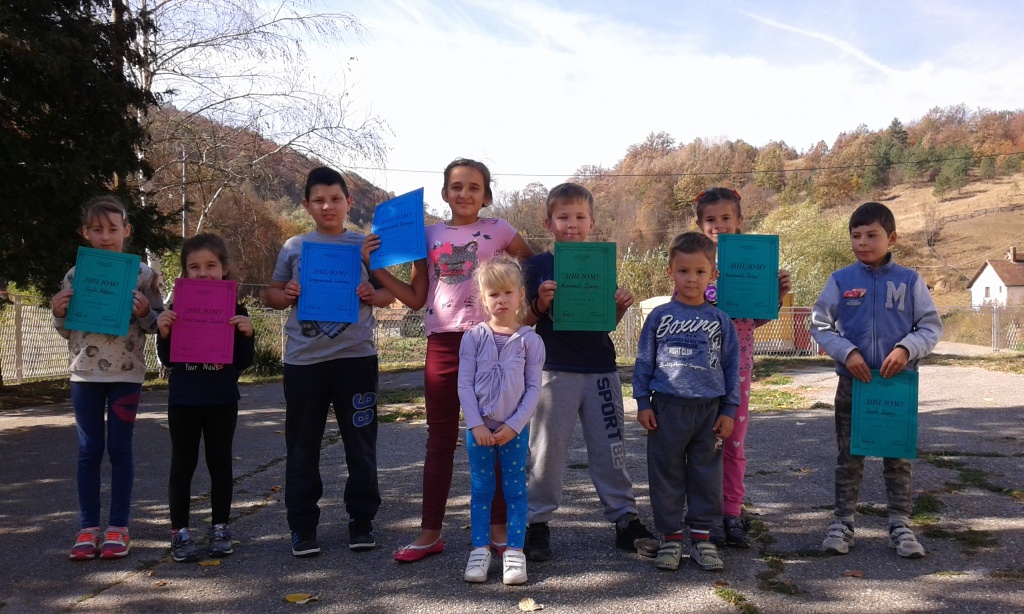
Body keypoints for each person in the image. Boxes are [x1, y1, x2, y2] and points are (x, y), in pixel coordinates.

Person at [362, 158, 533, 563]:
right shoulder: (427, 235)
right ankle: (429, 533)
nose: (464, 194)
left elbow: (532, 266)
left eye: (474, 187)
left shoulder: (500, 229)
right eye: (456, 186)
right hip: (443, 344)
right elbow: (416, 297)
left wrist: (523, 314)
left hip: (492, 344)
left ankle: (498, 531)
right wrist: (376, 268)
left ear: (486, 196)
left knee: (495, 435)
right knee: (440, 439)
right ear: (444, 193)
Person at [521, 183, 658, 561]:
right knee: (546, 450)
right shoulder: (537, 266)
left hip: (600, 369)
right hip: (553, 370)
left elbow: (605, 323)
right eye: (563, 217)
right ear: (548, 222)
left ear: (592, 222)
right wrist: (540, 303)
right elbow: (523, 321)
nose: (572, 224)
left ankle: (625, 519)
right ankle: (536, 522)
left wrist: (621, 306)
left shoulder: (599, 260)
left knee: (611, 448)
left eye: (580, 217)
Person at [265, 166, 395, 557]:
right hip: (304, 363)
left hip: (356, 360)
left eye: (335, 199)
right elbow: (272, 295)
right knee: (302, 447)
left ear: (348, 202)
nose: (328, 206)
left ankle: (362, 521)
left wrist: (372, 293)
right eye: (319, 200)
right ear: (306, 205)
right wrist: (286, 293)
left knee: (361, 445)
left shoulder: (366, 245)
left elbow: (390, 294)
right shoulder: (294, 246)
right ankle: (302, 527)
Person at [810, 201, 941, 559]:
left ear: (891, 238)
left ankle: (901, 524)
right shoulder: (840, 280)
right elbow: (820, 325)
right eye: (856, 236)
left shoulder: (910, 281)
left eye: (872, 235)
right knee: (849, 455)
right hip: (853, 383)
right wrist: (847, 353)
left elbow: (930, 326)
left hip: (896, 386)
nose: (863, 242)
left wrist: (906, 349)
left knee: (897, 457)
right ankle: (842, 523)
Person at [52, 196, 165, 560]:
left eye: (112, 229)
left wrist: (146, 312)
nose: (105, 236)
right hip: (84, 375)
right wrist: (58, 312)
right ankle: (87, 528)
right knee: (88, 451)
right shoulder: (76, 275)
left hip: (126, 375)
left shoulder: (144, 275)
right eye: (97, 229)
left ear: (126, 231)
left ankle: (118, 527)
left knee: (119, 449)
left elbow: (158, 324)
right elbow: (66, 330)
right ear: (85, 233)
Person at [633, 231, 740, 572]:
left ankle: (703, 539)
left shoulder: (721, 320)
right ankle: (671, 538)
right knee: (666, 474)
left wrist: (729, 409)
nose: (691, 278)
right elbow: (644, 361)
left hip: (709, 412)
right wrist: (643, 402)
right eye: (683, 271)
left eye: (699, 271)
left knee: (706, 475)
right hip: (666, 409)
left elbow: (731, 367)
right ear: (670, 272)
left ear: (713, 275)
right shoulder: (659, 316)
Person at [693, 187, 791, 547]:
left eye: (725, 218)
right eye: (710, 219)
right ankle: (705, 515)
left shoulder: (754, 263)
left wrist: (775, 295)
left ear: (739, 221)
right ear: (700, 225)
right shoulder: (693, 263)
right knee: (702, 444)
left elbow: (753, 320)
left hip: (738, 371)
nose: (718, 225)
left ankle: (732, 512)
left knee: (732, 443)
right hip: (698, 372)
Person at [156, 233, 256, 562]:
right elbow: (168, 359)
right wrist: (164, 332)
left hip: (221, 399)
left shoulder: (236, 309)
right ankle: (180, 532)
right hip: (184, 399)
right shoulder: (176, 308)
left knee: (220, 463)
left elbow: (242, 362)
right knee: (182, 465)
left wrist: (247, 334)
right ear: (185, 272)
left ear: (224, 268)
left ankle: (220, 528)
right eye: (194, 267)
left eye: (211, 265)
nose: (203, 273)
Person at [458, 255, 544, 585]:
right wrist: (476, 424)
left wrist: (514, 425)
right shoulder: (473, 337)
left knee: (515, 490)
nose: (502, 300)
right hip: (479, 430)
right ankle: (480, 550)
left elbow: (534, 388)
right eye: (494, 294)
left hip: (514, 431)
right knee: (481, 490)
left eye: (508, 292)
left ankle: (514, 551)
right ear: (484, 298)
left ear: (521, 295)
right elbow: (464, 384)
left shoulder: (531, 340)